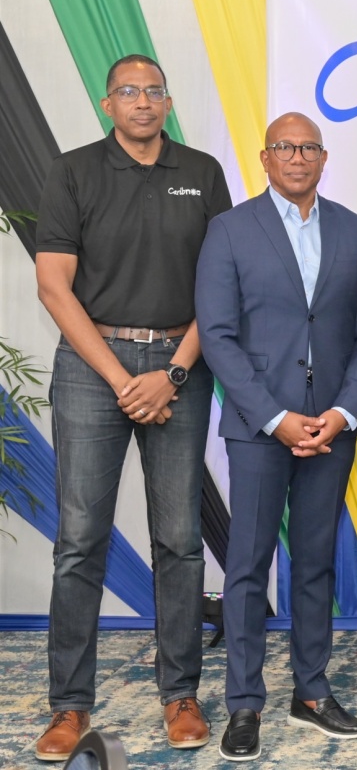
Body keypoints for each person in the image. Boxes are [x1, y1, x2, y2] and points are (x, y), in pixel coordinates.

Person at [33, 54, 231, 761]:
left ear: (168, 103)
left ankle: (181, 694)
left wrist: (171, 373)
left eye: (154, 91)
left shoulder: (202, 171)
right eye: (129, 91)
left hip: (180, 364)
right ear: (107, 103)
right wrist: (125, 379)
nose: (143, 101)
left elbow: (222, 283)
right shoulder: (73, 171)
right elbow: (53, 285)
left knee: (178, 539)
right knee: (79, 540)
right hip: (94, 369)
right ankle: (69, 706)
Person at [194, 112, 357, 762]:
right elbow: (217, 335)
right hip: (258, 428)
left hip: (332, 427)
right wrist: (276, 417)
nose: (297, 157)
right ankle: (245, 703)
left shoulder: (354, 230)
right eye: (285, 147)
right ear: (265, 158)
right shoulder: (229, 229)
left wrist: (342, 411)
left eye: (308, 147)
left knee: (315, 562)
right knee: (248, 566)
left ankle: (312, 691)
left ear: (324, 158)